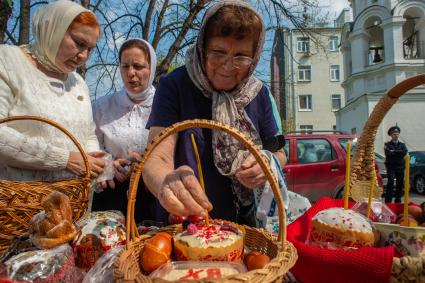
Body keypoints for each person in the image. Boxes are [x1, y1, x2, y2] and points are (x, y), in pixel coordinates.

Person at [143, 1, 287, 226]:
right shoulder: (175, 85)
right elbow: (156, 158)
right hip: (185, 224)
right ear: (202, 48)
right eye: (218, 53)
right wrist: (166, 182)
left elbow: (279, 153)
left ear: (254, 58)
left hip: (245, 225)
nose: (228, 66)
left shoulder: (258, 93)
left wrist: (266, 164)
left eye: (241, 57)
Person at [0, 0, 105, 182]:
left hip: (71, 200)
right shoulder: (8, 61)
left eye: (90, 49)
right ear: (53, 30)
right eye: (79, 43)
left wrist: (95, 161)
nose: (83, 56)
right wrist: (64, 159)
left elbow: (88, 134)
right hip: (17, 202)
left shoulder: (78, 83)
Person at [91, 39, 157, 223]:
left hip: (153, 194)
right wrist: (108, 165)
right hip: (111, 192)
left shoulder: (165, 105)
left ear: (151, 68)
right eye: (125, 66)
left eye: (138, 66)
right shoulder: (101, 107)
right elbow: (90, 146)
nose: (131, 73)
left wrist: (147, 164)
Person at [384, 125, 408, 203]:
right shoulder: (387, 144)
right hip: (391, 167)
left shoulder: (402, 145)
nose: (396, 135)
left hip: (400, 167)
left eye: (397, 134)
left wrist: (394, 151)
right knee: (390, 183)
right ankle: (388, 201)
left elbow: (404, 152)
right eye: (394, 134)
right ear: (391, 135)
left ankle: (398, 200)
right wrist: (398, 152)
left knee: (400, 184)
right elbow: (388, 154)